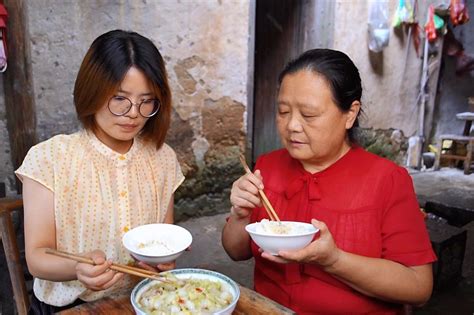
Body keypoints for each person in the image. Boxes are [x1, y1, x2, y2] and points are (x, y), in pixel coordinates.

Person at [222, 49, 436, 314]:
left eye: (309, 115)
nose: (292, 126)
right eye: (283, 111)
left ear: (350, 113)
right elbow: (236, 251)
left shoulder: (387, 180)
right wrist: (240, 215)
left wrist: (334, 260)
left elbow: (418, 287)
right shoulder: (268, 166)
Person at [15, 30, 184, 314]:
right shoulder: (50, 159)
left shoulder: (162, 158)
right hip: (70, 307)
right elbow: (37, 256)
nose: (134, 113)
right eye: (119, 98)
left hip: (141, 300)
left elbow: (163, 239)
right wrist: (77, 267)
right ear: (92, 91)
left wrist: (163, 260)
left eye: (147, 100)